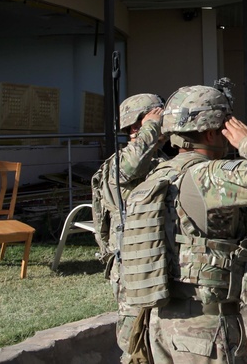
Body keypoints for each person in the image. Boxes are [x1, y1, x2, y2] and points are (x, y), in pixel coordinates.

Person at [144, 85, 247, 364]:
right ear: (212, 131)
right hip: (205, 329)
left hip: (163, 323)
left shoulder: (158, 175)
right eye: (225, 124)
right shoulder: (207, 176)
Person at [91, 93, 165, 363]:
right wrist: (151, 126)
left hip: (159, 266)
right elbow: (129, 167)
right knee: (135, 346)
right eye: (146, 124)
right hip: (133, 272)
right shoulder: (118, 165)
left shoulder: (159, 162)